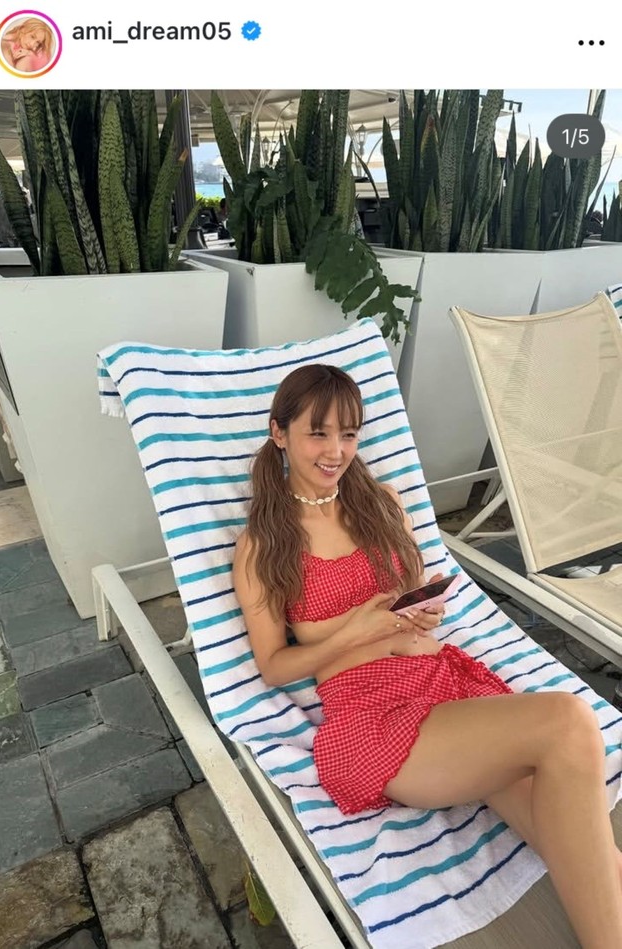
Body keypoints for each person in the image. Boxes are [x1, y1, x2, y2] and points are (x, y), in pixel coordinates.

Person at [233, 363, 622, 949]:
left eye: (349, 434)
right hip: (374, 717)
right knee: (567, 720)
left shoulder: (382, 503)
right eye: (318, 433)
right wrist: (358, 631)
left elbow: (410, 594)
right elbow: (273, 666)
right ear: (279, 433)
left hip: (445, 686)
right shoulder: (264, 543)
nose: (336, 451)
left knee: (586, 851)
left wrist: (420, 613)